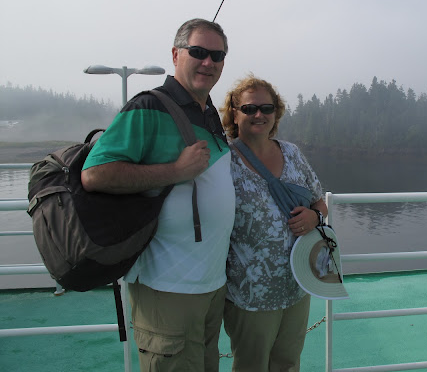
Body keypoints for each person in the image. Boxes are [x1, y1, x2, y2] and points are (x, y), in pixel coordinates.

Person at [81, 18, 235, 372]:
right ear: (176, 54)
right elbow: (94, 174)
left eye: (217, 55)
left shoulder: (209, 113)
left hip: (211, 286)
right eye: (198, 52)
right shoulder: (148, 107)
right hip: (167, 287)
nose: (208, 62)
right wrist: (176, 171)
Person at [220, 74, 328, 372]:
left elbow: (319, 201)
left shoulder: (292, 153)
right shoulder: (224, 160)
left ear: (276, 113)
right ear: (234, 114)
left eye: (266, 108)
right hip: (250, 294)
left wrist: (314, 216)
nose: (259, 115)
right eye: (249, 108)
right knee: (251, 366)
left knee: (288, 364)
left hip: (297, 284)